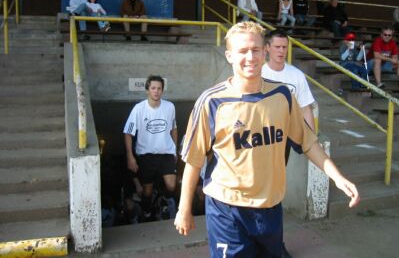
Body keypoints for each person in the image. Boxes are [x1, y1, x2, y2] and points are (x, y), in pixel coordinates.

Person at [174, 21, 360, 257]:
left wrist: (337, 177)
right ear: (229, 55)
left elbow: (308, 143)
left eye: (255, 50)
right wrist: (184, 209)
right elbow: (194, 160)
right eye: (242, 51)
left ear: (265, 53)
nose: (250, 57)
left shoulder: (282, 95)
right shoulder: (211, 102)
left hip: (270, 207)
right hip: (227, 210)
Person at [262, 29, 315, 258]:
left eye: (285, 47)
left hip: (282, 143)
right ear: (267, 48)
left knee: (274, 194)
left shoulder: (296, 76)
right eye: (277, 47)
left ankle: (275, 244)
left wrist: (311, 137)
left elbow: (305, 108)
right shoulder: (258, 73)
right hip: (259, 142)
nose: (282, 51)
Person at [123, 75, 178, 221]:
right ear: (147, 90)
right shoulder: (138, 109)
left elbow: (173, 129)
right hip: (146, 156)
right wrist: (130, 157)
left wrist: (174, 150)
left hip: (166, 153)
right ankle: (147, 210)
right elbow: (128, 133)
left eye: (159, 88)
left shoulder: (170, 107)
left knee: (171, 186)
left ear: (162, 91)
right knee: (146, 192)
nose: (156, 91)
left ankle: (164, 200)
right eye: (153, 88)